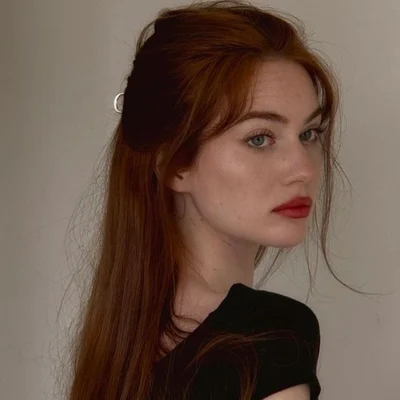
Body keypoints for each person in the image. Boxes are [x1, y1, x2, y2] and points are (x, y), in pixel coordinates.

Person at [65, 0, 346, 399]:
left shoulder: (123, 342)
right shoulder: (267, 337)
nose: (303, 168)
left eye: (309, 134)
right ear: (175, 164)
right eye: (259, 138)